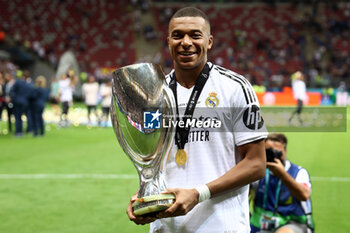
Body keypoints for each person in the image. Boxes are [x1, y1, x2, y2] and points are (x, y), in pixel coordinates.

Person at [127, 7, 268, 233]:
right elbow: (154, 162)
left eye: (195, 35)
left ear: (209, 41)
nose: (185, 42)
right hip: (166, 227)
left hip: (221, 226)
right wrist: (145, 198)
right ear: (168, 41)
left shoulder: (235, 88)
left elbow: (256, 164)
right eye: (178, 35)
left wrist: (198, 193)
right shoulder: (154, 94)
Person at [250, 133, 315, 233]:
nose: (273, 156)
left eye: (277, 152)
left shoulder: (298, 172)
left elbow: (304, 195)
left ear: (285, 151)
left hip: (291, 223)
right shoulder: (259, 172)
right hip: (259, 224)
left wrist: (282, 174)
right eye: (269, 152)